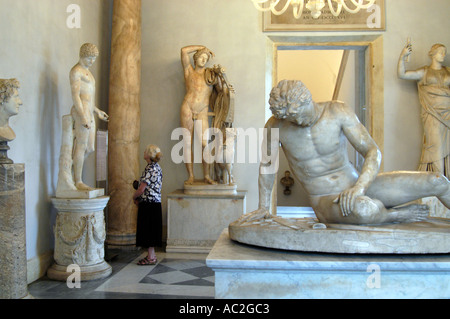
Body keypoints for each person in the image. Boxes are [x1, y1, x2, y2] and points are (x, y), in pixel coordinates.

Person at [239, 80, 450, 226]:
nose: (298, 122)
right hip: (325, 199)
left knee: (437, 181)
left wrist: (359, 187)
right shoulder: (275, 126)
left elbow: (372, 151)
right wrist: (263, 207)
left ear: (307, 100)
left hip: (357, 184)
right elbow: (267, 168)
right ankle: (393, 216)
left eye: (299, 116)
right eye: (291, 120)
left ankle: (381, 210)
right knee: (365, 210)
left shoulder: (337, 111)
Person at [398, 42, 450, 178]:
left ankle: (446, 181)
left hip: (448, 114)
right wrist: (403, 57)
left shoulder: (448, 71)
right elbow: (402, 74)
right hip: (432, 115)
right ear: (432, 54)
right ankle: (438, 182)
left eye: (444, 52)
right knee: (436, 146)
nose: (443, 55)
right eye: (440, 52)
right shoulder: (424, 72)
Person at [70, 43, 109, 190]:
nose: (92, 61)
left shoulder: (89, 73)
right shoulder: (76, 71)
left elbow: (89, 98)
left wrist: (97, 111)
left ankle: (73, 170)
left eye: (94, 59)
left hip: (89, 110)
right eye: (90, 58)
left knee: (90, 148)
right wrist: (82, 116)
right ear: (83, 55)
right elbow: (76, 96)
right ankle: (77, 181)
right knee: (81, 145)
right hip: (81, 111)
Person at [180, 45, 217, 185]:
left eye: (206, 58)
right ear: (195, 58)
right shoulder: (188, 71)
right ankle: (191, 176)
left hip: (202, 109)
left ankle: (207, 175)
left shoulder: (210, 75)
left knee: (204, 143)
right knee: (187, 143)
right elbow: (184, 51)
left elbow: (221, 89)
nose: (203, 60)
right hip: (187, 107)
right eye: (201, 57)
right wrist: (202, 47)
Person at [133, 144, 163, 265]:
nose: (143, 152)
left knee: (148, 231)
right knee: (151, 230)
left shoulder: (151, 168)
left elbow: (142, 188)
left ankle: (151, 258)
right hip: (154, 203)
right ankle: (152, 255)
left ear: (149, 155)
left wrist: (134, 196)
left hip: (149, 204)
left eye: (145, 151)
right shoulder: (156, 167)